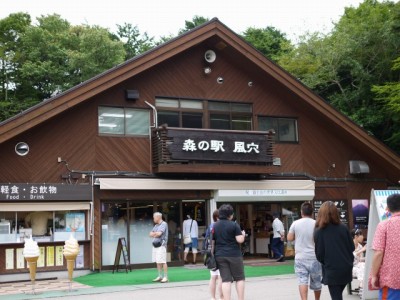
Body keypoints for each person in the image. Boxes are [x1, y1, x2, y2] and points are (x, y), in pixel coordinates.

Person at [314, 201, 354, 300]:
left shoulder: (319, 231)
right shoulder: (343, 228)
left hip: (331, 269)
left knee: (336, 296)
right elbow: (352, 247)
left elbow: (319, 254)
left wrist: (326, 262)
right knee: (337, 295)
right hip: (346, 267)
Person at [287, 202, 322, 300]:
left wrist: (296, 236)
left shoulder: (295, 223)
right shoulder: (317, 224)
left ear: (301, 212)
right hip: (315, 257)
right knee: (317, 282)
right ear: (312, 213)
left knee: (302, 281)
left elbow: (289, 238)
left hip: (300, 257)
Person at [370, 193, 400, 299]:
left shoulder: (384, 225)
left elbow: (379, 252)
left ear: (387, 208)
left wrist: (373, 275)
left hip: (392, 279)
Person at [213, 204, 245, 300]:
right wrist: (243, 235)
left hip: (220, 255)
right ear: (230, 215)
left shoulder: (215, 225)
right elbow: (240, 240)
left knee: (225, 280)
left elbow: (212, 241)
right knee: (239, 278)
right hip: (234, 254)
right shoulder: (234, 225)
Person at [204, 209, 224, 300]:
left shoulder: (211, 226)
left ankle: (213, 297)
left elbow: (207, 239)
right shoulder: (222, 225)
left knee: (213, 277)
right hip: (221, 253)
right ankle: (222, 297)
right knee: (220, 277)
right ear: (218, 217)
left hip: (212, 253)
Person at [149, 212, 168, 283]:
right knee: (157, 261)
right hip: (155, 245)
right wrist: (155, 234)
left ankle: (165, 277)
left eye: (154, 217)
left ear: (158, 217)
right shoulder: (156, 225)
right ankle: (160, 276)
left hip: (161, 245)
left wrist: (154, 234)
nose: (153, 219)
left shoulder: (164, 224)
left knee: (163, 261)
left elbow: (159, 234)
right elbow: (150, 234)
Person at [351, 229, 366, 293]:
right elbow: (350, 257)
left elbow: (360, 259)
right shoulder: (349, 245)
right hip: (350, 267)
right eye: (361, 235)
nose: (362, 236)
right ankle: (362, 286)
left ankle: (361, 285)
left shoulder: (360, 246)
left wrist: (368, 258)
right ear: (356, 236)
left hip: (358, 267)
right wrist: (362, 250)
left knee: (363, 265)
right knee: (362, 266)